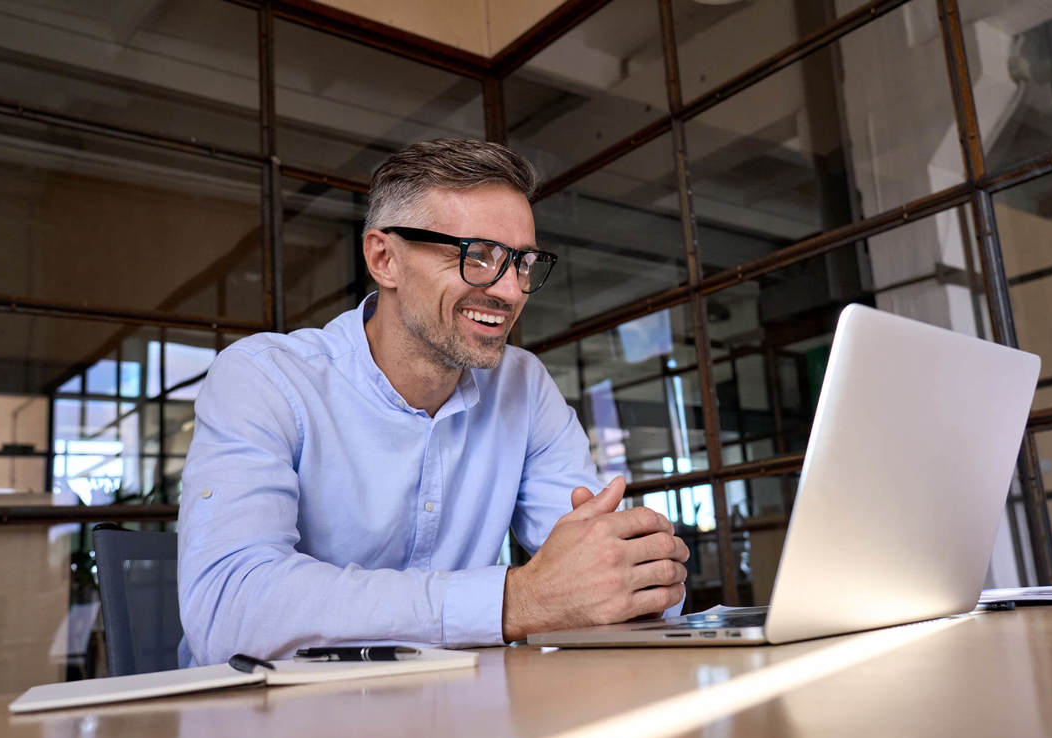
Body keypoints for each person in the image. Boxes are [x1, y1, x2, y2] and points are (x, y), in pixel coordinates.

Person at [177, 138, 688, 666]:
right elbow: (227, 608)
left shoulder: (523, 386)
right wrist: (515, 600)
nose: (511, 292)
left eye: (522, 262)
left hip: (457, 708)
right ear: (384, 259)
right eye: (477, 256)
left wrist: (636, 574)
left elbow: (598, 578)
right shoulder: (265, 377)